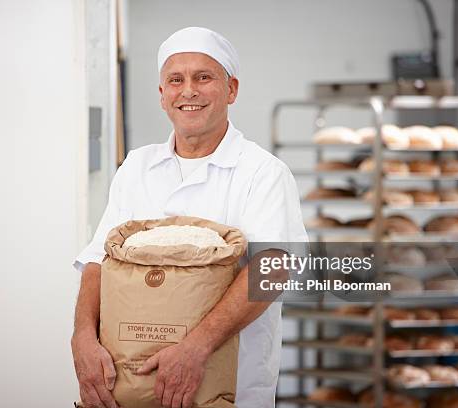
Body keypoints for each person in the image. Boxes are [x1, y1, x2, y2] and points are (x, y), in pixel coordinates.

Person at [71, 27, 307, 408]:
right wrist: (82, 337)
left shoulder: (263, 172)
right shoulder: (136, 167)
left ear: (231, 89)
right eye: (175, 80)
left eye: (204, 77)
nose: (189, 91)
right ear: (162, 95)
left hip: (228, 390)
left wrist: (197, 348)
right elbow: (100, 259)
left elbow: (273, 267)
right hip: (132, 390)